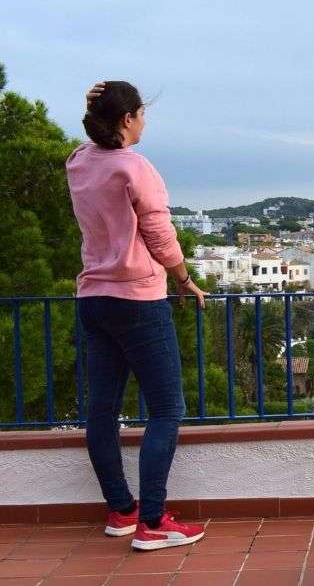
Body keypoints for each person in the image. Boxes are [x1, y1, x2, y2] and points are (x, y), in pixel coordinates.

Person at [66, 81, 207, 550]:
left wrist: (93, 109)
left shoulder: (79, 162)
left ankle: (121, 510)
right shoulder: (136, 168)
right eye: (141, 113)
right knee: (167, 409)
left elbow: (90, 142)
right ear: (127, 119)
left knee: (102, 411)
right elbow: (161, 237)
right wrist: (184, 277)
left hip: (93, 298)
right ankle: (152, 521)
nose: (145, 121)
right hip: (138, 300)